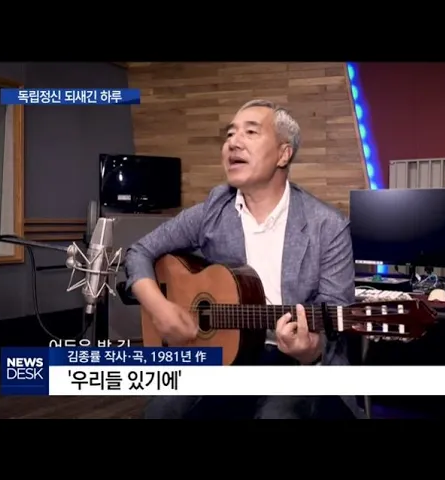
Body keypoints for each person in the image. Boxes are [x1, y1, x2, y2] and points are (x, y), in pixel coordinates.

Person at [124, 99, 365, 419]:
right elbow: (139, 251)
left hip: (293, 363)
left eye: (251, 132)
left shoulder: (328, 226)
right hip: (220, 352)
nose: (233, 142)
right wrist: (160, 308)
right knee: (162, 411)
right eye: (230, 134)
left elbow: (335, 317)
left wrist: (311, 350)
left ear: (283, 154)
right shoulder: (213, 209)